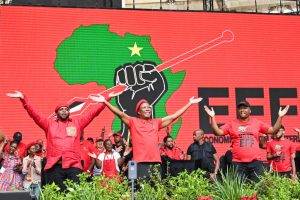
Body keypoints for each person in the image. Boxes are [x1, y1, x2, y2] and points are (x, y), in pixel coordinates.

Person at [7, 90, 119, 190]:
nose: (64, 111)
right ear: (56, 112)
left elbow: (92, 114)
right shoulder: (49, 124)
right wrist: (24, 99)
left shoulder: (77, 123)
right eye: (61, 109)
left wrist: (106, 99)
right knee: (56, 193)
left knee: (76, 193)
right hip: (54, 166)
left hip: (73, 165)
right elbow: (35, 114)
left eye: (66, 109)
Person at [89, 94, 202, 178]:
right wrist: (105, 101)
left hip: (156, 163)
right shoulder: (133, 121)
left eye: (149, 107)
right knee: (141, 191)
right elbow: (120, 114)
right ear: (139, 112)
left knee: (155, 192)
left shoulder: (156, 122)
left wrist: (189, 103)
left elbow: (173, 117)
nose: (148, 109)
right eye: (144, 108)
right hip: (140, 163)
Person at [204, 100, 289, 181]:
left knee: (257, 188)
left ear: (250, 110)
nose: (242, 110)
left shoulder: (257, 123)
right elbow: (217, 132)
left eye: (245, 108)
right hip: (238, 163)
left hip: (255, 162)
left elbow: (273, 130)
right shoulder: (231, 123)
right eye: (240, 108)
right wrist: (212, 117)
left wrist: (280, 116)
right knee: (239, 189)